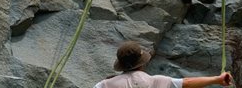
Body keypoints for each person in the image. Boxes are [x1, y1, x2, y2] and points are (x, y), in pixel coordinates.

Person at [93, 41, 231, 88]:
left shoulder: (105, 85)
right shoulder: (158, 81)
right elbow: (187, 82)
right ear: (142, 63)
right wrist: (218, 79)